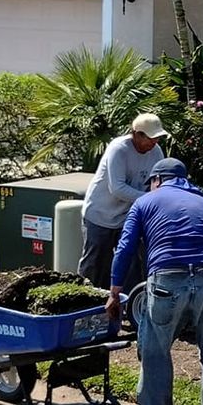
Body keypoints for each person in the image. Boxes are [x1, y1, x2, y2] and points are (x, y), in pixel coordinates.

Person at [107, 157, 203, 405]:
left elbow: (125, 248)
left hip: (167, 281)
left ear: (157, 180)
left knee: (155, 350)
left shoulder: (145, 203)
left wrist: (114, 293)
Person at [78, 112, 166, 289]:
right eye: (150, 138)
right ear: (136, 134)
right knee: (96, 262)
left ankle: (129, 303)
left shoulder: (156, 152)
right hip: (101, 214)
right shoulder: (119, 148)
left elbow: (159, 181)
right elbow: (117, 188)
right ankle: (87, 302)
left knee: (131, 261)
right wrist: (150, 198)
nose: (154, 142)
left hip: (128, 216)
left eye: (157, 138)